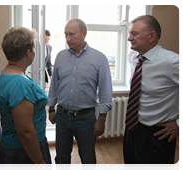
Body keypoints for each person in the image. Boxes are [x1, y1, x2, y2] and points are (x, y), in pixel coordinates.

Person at [47, 18, 113, 170]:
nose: (68, 39)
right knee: (61, 157)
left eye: (72, 34)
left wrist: (102, 119)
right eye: (65, 35)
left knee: (88, 159)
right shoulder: (61, 56)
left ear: (84, 33)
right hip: (62, 116)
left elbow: (105, 90)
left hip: (86, 118)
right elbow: (55, 85)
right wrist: (51, 108)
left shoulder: (99, 58)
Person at [123, 15, 181, 170]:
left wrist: (180, 124)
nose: (129, 38)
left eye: (134, 34)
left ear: (152, 36)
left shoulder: (173, 63)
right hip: (132, 129)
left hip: (158, 135)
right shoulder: (133, 56)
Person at [0, 26, 52, 170]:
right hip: (24, 151)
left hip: (14, 147)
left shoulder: (7, 72)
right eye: (33, 49)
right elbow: (25, 131)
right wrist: (39, 162)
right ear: (28, 53)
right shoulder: (19, 83)